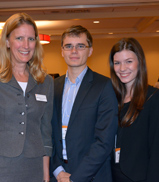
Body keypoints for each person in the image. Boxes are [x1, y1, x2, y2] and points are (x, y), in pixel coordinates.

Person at [0, 13, 53, 182]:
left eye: (31, 39)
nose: (26, 45)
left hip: (34, 164)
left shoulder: (46, 81)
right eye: (19, 38)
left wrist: (45, 171)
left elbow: (45, 130)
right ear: (7, 41)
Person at [50, 25, 118, 182]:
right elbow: (47, 133)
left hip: (91, 175)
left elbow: (104, 141)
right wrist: (57, 171)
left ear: (90, 50)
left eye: (80, 46)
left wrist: (76, 178)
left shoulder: (104, 86)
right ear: (62, 51)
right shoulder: (52, 86)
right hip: (58, 175)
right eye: (68, 46)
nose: (74, 51)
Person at [109, 38, 159, 182]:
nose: (122, 68)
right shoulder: (111, 97)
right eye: (117, 63)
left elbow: (158, 153)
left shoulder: (154, 98)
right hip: (111, 175)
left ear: (140, 62)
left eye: (129, 61)